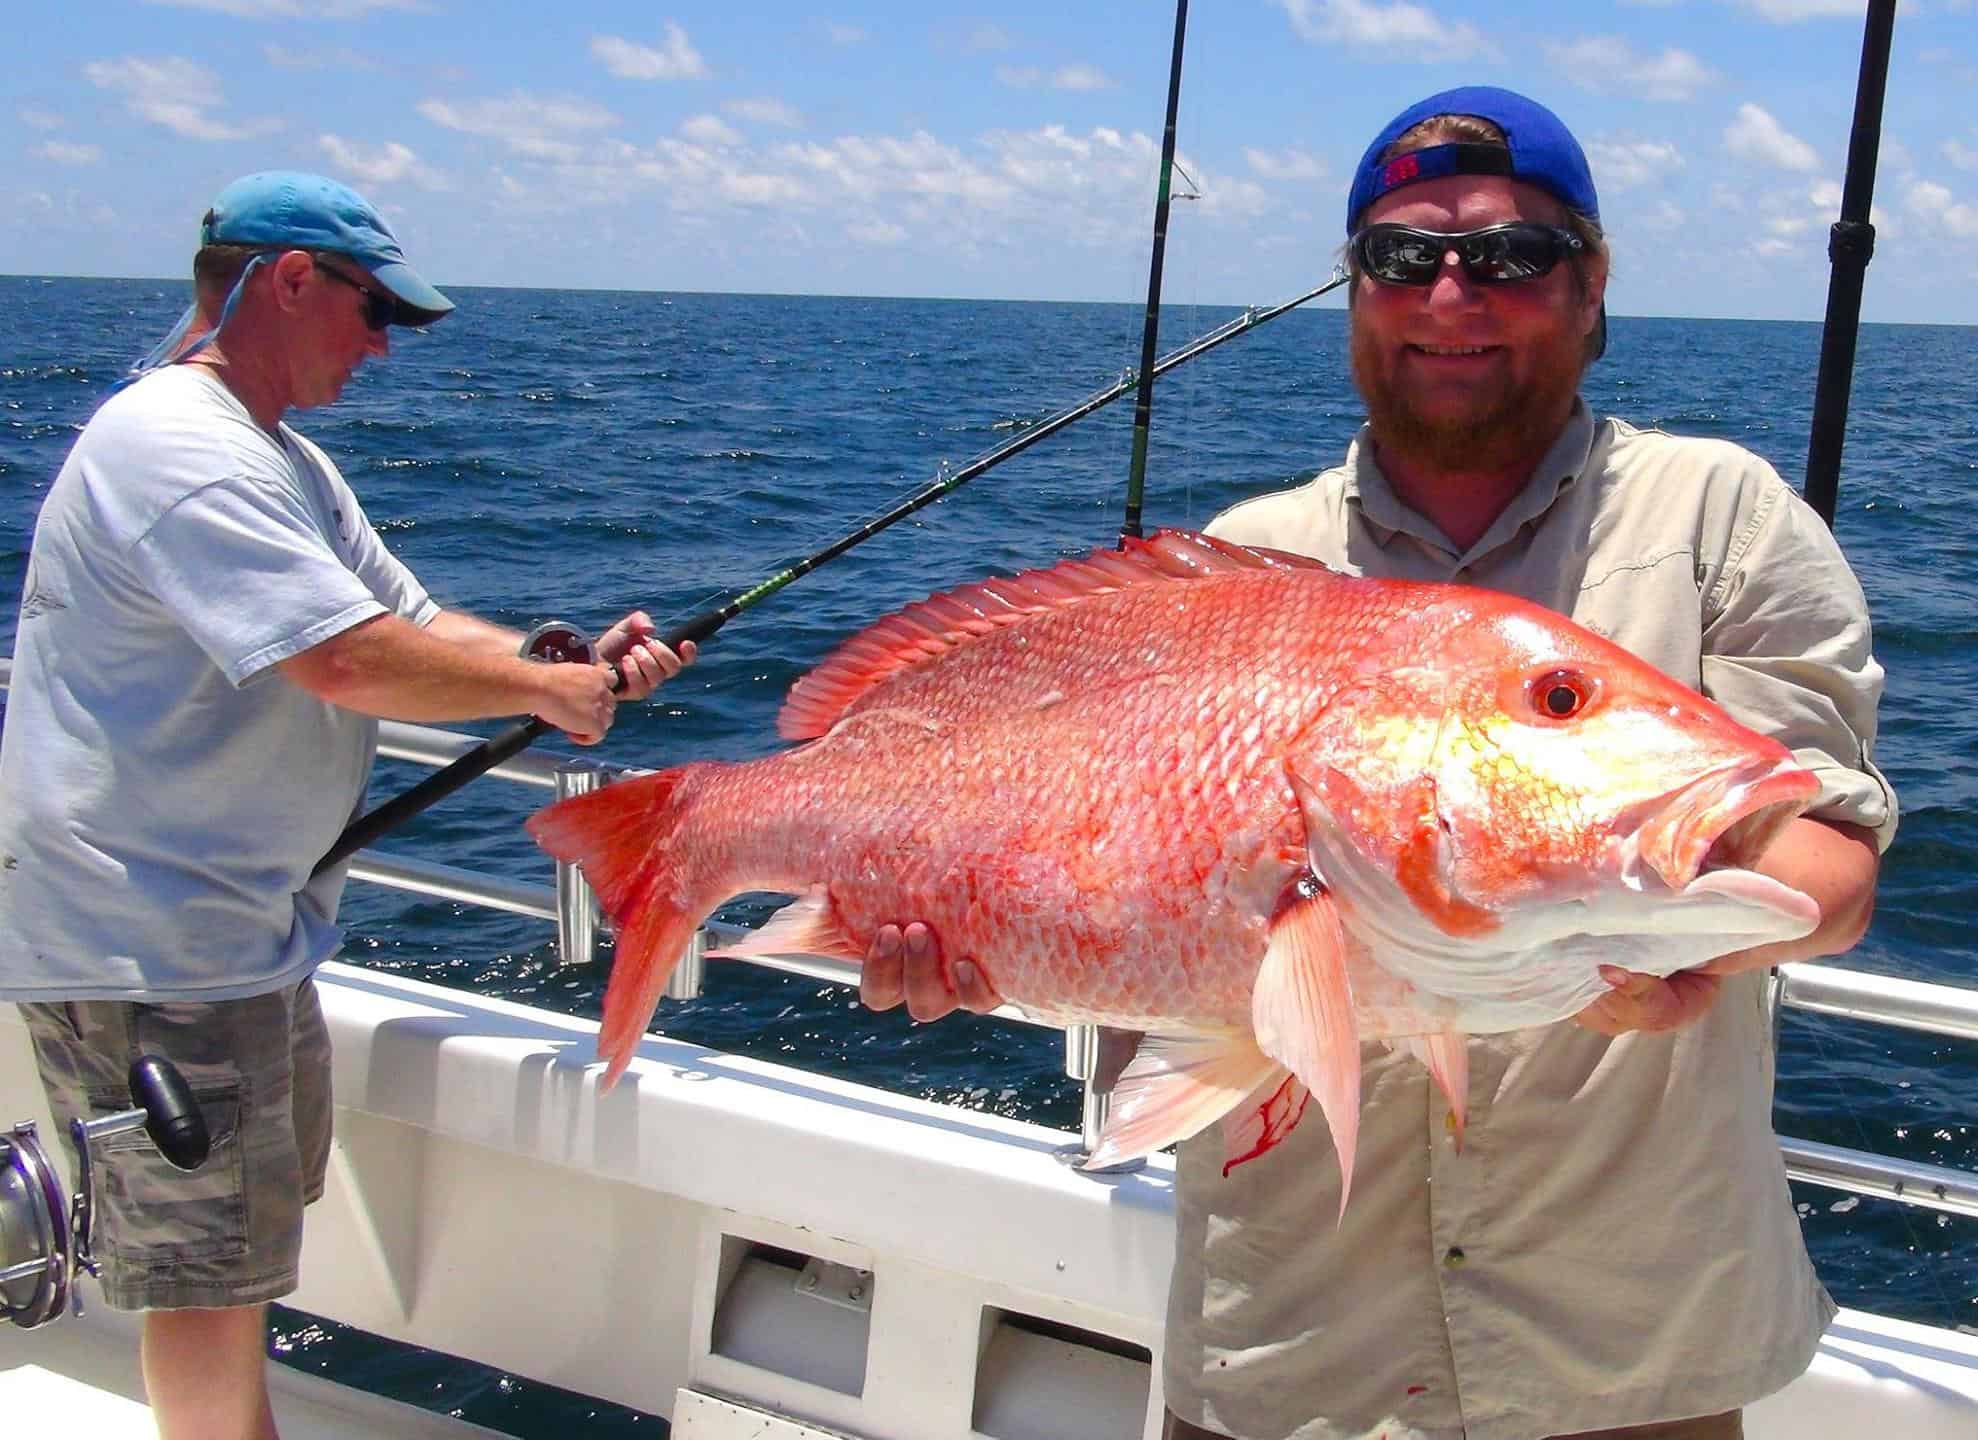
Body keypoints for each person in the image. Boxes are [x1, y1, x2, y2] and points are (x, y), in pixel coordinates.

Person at [862, 87, 1894, 1440]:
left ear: (1590, 290)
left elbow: (1826, 865)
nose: (1451, 292)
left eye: (1512, 256)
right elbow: (1136, 921)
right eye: (1404, 257)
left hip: (1617, 1349)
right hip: (1293, 1340)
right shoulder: (1245, 559)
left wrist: (1659, 951)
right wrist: (974, 944)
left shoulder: (1717, 518)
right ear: (1352, 291)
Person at [0, 171, 693, 1440]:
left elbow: (413, 624)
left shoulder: (282, 459)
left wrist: (559, 672)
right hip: (152, 948)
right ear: (290, 279)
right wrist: (544, 697)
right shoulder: (178, 446)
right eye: (376, 313)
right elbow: (345, 658)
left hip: (226, 936)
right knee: (205, 1291)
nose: (383, 347)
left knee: (231, 1269)